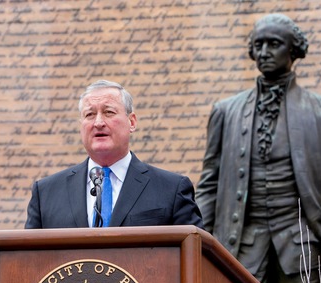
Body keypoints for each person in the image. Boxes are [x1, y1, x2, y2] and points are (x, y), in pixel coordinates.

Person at [196, 14, 321, 283]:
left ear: (294, 50)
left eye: (274, 44)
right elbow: (208, 186)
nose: (264, 52)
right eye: (258, 45)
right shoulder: (225, 112)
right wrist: (200, 242)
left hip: (301, 249)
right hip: (239, 247)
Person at [25, 79, 203, 229]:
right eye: (90, 114)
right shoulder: (46, 193)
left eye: (109, 112)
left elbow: (195, 257)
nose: (99, 122)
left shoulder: (171, 189)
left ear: (131, 122)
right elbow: (28, 261)